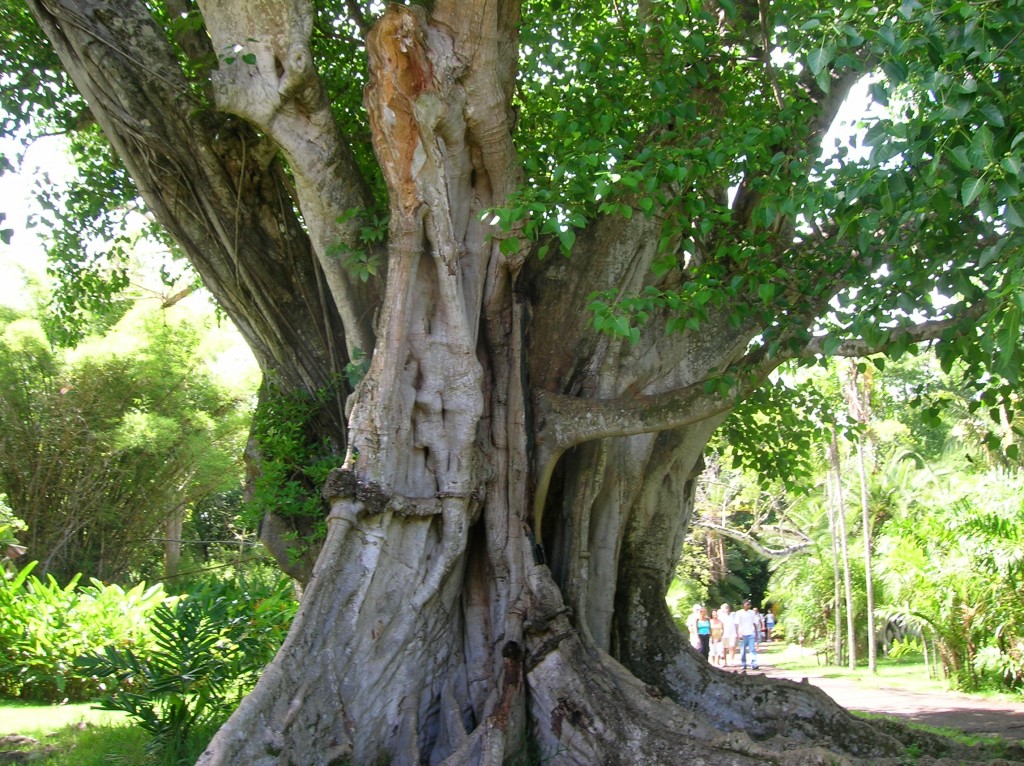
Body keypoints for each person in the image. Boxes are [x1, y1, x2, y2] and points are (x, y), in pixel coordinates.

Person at [736, 599, 759, 670]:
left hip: (751, 633)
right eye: (747, 604)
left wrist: (756, 633)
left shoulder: (752, 613)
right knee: (743, 650)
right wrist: (738, 634)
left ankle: (754, 663)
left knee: (752, 649)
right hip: (742, 634)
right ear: (743, 605)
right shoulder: (739, 613)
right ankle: (743, 663)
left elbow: (754, 623)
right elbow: (737, 624)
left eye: (749, 604)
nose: (748, 606)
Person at [719, 602, 737, 667]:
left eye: (727, 607)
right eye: (725, 607)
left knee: (732, 647)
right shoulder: (720, 616)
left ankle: (731, 661)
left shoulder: (733, 615)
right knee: (724, 649)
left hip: (732, 634)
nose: (726, 608)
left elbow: (736, 624)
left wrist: (737, 633)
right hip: (724, 635)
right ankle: (724, 662)